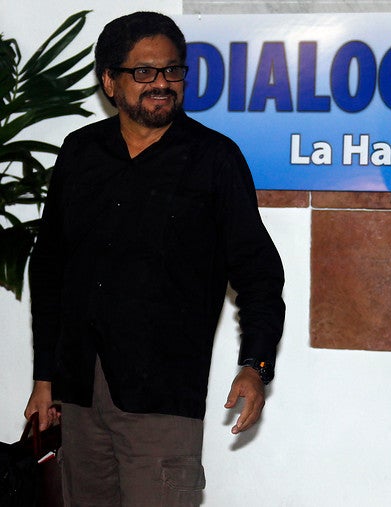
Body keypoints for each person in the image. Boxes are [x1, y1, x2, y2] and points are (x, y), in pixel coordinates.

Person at [23, 11, 285, 506]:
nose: (161, 83)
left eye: (172, 70)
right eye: (144, 72)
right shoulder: (80, 152)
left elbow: (259, 274)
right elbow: (50, 267)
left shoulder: (214, 159)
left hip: (163, 398)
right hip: (78, 396)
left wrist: (256, 365)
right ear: (110, 81)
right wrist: (45, 379)